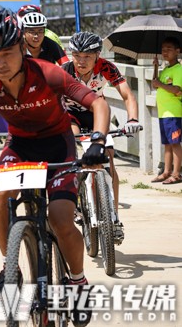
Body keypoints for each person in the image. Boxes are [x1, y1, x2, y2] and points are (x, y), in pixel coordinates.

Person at [0, 6, 109, 327]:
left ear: (20, 47)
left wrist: (97, 142)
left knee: (60, 218)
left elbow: (98, 103)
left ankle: (77, 281)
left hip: (58, 143)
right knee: (1, 194)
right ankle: (9, 266)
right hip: (19, 147)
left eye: (6, 54)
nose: (0, 63)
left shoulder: (47, 73)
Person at [62, 31, 139, 242]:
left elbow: (127, 94)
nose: (81, 61)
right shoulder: (65, 71)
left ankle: (113, 217)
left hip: (96, 112)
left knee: (109, 156)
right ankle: (77, 198)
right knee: (72, 147)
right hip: (70, 115)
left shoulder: (107, 67)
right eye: (77, 55)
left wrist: (132, 119)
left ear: (97, 55)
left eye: (87, 56)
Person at [151, 37, 182, 185]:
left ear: (178, 51)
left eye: (169, 49)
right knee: (167, 143)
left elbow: (177, 90)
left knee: (175, 143)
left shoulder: (178, 69)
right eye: (163, 49)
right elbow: (155, 84)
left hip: (174, 112)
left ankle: (176, 174)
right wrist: (156, 67)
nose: (165, 52)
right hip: (163, 112)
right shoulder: (166, 70)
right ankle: (166, 172)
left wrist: (160, 84)